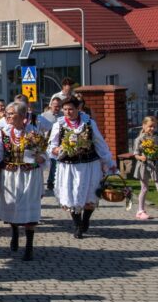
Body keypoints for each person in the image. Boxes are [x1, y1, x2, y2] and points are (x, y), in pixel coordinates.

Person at [48, 97, 116, 238]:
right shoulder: (59, 125)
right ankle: (78, 225)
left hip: (89, 165)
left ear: (78, 108)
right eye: (65, 109)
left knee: (90, 195)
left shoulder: (89, 123)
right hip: (68, 167)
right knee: (71, 196)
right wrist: (58, 149)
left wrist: (109, 163)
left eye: (71, 109)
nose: (68, 112)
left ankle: (85, 220)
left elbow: (100, 144)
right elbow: (51, 146)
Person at [0, 102, 46, 261]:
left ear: (22, 117)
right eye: (7, 113)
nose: (7, 116)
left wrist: (40, 158)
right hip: (10, 176)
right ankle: (14, 231)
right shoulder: (2, 134)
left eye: (11, 113)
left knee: (29, 208)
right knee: (13, 206)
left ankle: (29, 246)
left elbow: (44, 154)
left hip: (30, 176)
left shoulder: (34, 133)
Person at [132, 116, 158, 221]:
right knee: (144, 188)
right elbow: (136, 154)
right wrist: (141, 157)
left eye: (154, 127)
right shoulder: (139, 139)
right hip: (144, 166)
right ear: (144, 125)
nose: (152, 129)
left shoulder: (157, 138)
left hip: (155, 165)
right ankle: (140, 211)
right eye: (150, 126)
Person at [41, 97, 62, 190]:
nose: (57, 108)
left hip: (58, 143)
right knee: (49, 163)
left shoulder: (62, 115)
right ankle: (49, 181)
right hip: (46, 142)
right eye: (55, 106)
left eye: (59, 106)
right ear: (51, 105)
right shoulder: (44, 115)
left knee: (55, 163)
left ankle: (52, 182)